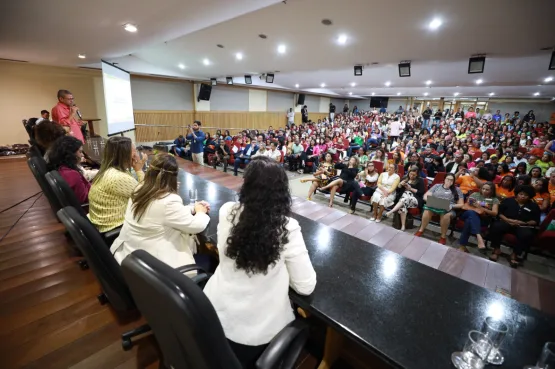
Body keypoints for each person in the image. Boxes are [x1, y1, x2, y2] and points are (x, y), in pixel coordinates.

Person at [203, 157, 316, 367]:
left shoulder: (228, 210)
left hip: (210, 315)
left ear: (246, 185)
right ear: (282, 192)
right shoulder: (287, 227)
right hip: (254, 338)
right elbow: (305, 285)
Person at [110, 153, 211, 269]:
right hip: (156, 267)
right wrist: (201, 212)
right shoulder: (168, 200)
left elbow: (164, 214)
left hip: (130, 259)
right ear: (173, 177)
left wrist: (192, 208)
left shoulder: (139, 189)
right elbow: (196, 225)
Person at [88, 137, 147, 233]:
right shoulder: (118, 177)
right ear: (123, 155)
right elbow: (145, 196)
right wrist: (139, 170)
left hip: (102, 223)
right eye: (133, 152)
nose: (136, 155)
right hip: (116, 227)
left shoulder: (107, 170)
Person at [488, 185, 540, 268]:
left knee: (527, 235)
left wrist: (524, 223)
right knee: (496, 226)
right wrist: (508, 220)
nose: (523, 196)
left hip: (522, 225)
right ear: (517, 194)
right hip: (506, 221)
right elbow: (499, 213)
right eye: (521, 194)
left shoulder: (533, 206)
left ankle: (514, 254)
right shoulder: (508, 200)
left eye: (526, 195)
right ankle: (496, 250)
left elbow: (535, 221)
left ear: (529, 196)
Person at [415, 173, 464, 244]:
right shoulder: (437, 186)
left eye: (451, 180)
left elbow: (461, 204)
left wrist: (451, 206)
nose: (449, 181)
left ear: (454, 181)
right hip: (435, 205)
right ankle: (421, 230)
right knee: (427, 210)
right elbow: (425, 196)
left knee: (446, 215)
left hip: (448, 208)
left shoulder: (457, 190)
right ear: (444, 179)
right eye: (448, 179)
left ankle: (443, 237)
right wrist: (431, 201)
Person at [457, 182, 499, 252]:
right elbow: (468, 202)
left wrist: (481, 208)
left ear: (491, 191)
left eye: (487, 190)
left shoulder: (494, 200)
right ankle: (479, 236)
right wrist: (483, 204)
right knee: (471, 213)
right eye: (483, 189)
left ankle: (462, 246)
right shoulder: (475, 194)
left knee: (468, 221)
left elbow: (495, 213)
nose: (484, 191)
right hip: (467, 213)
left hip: (482, 218)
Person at [48, 136, 90, 204]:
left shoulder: (59, 168)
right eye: (80, 152)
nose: (82, 155)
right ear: (70, 154)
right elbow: (85, 199)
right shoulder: (72, 174)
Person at [384, 166, 425, 231]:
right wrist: (400, 185)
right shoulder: (405, 178)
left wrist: (410, 188)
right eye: (410, 174)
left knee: (405, 196)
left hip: (414, 199)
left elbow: (421, 192)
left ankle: (391, 211)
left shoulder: (420, 180)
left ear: (417, 174)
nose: (411, 176)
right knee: (403, 203)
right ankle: (403, 226)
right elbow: (398, 190)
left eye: (414, 175)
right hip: (403, 198)